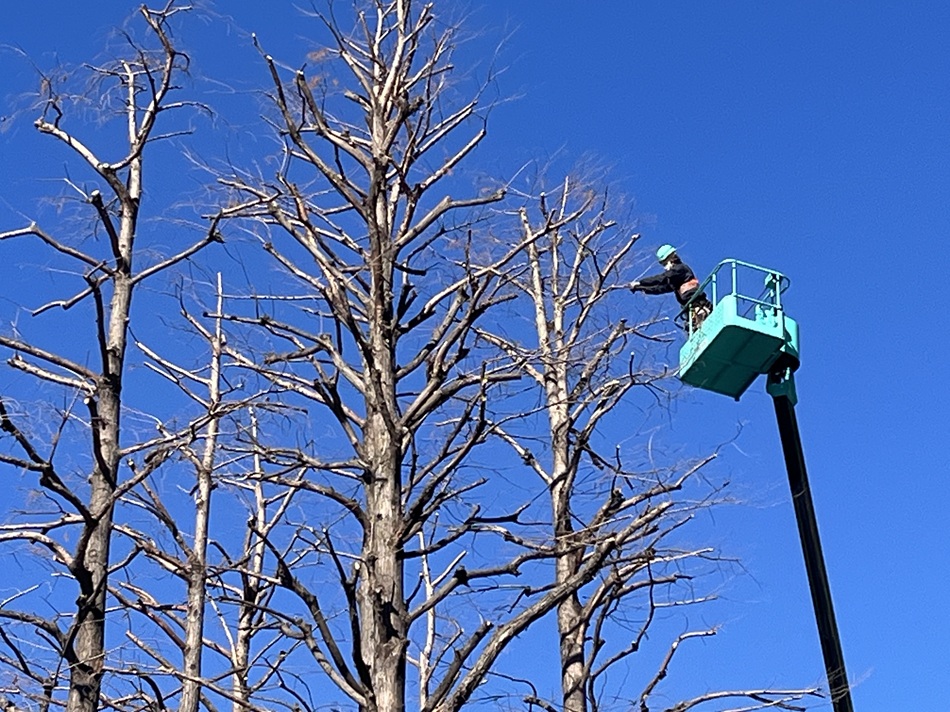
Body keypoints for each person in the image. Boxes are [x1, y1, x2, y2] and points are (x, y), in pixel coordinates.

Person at [630, 244, 712, 332]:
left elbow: (662, 278)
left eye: (665, 262)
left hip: (698, 304)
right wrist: (640, 288)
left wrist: (640, 282)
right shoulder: (675, 280)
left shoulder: (680, 269)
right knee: (694, 327)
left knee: (701, 321)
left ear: (671, 258)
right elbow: (660, 288)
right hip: (690, 308)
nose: (665, 266)